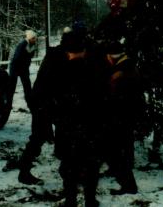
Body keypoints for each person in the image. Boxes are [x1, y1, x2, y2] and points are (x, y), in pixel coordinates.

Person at [53, 29, 106, 207]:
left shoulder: (59, 73)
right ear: (84, 50)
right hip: (91, 128)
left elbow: (53, 101)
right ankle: (90, 200)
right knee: (91, 166)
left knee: (69, 167)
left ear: (67, 52)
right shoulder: (96, 71)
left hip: (68, 129)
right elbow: (103, 100)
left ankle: (70, 200)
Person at [14, 28, 71, 184]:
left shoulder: (55, 53)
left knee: (45, 136)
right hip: (45, 102)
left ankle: (26, 170)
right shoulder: (63, 56)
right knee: (39, 137)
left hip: (43, 101)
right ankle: (24, 172)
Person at [103, 40, 143, 195]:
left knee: (117, 151)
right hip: (126, 115)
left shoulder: (121, 71)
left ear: (112, 57)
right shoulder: (127, 66)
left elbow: (117, 96)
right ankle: (121, 176)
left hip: (121, 116)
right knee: (121, 150)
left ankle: (129, 185)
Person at [9, 30, 38, 108]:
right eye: (33, 38)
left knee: (27, 86)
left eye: (35, 38)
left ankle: (30, 104)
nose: (35, 39)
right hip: (15, 67)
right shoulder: (22, 45)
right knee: (11, 87)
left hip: (23, 68)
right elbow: (17, 58)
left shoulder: (32, 44)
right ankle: (8, 104)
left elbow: (30, 56)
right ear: (29, 38)